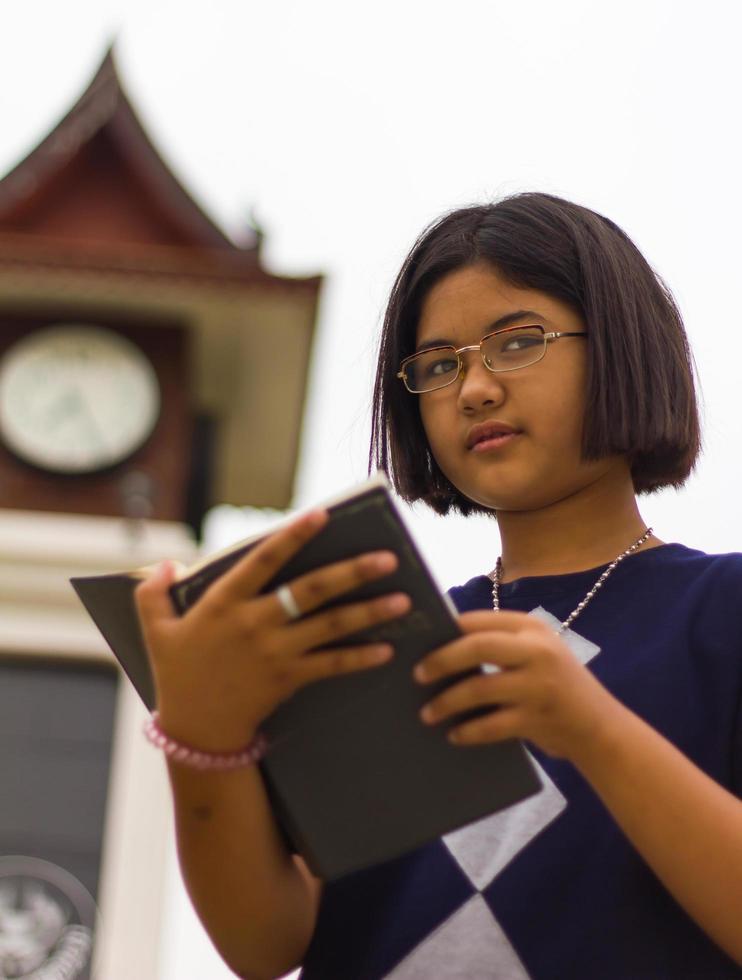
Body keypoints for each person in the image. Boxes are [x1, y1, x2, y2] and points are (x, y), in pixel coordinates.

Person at [134, 193, 742, 979]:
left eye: (518, 342)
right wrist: (201, 735)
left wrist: (593, 729)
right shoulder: (382, 638)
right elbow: (267, 943)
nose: (475, 388)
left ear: (623, 344)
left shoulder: (721, 615)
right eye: (439, 364)